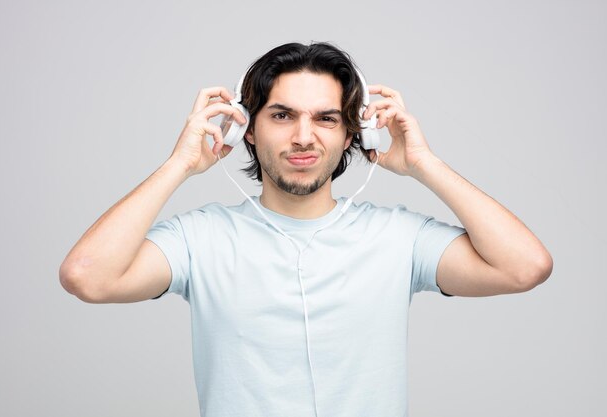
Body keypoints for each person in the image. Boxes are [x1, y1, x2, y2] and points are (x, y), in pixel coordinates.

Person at [59, 42, 553, 417]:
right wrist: (180, 164)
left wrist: (424, 164)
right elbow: (87, 276)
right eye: (281, 115)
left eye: (325, 118)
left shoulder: (398, 238)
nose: (303, 137)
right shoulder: (200, 238)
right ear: (245, 129)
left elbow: (525, 267)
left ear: (352, 134)